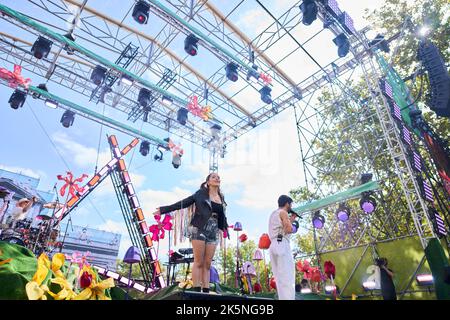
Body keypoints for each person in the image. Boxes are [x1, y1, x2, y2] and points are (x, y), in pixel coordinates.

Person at [153, 172, 229, 293]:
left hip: (213, 230)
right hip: (199, 227)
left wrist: (224, 227)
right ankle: (197, 289)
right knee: (199, 261)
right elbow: (183, 203)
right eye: (213, 177)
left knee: (208, 263)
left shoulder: (221, 197)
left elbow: (222, 215)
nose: (217, 178)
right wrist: (163, 209)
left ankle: (206, 290)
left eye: (218, 177)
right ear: (208, 182)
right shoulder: (200, 194)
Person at [268, 195, 298, 300]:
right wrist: (291, 222)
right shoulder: (283, 212)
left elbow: (280, 231)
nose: (291, 206)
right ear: (287, 204)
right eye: (291, 204)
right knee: (287, 277)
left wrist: (291, 219)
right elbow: (288, 229)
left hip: (274, 245)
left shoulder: (273, 214)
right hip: (282, 244)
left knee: (280, 280)